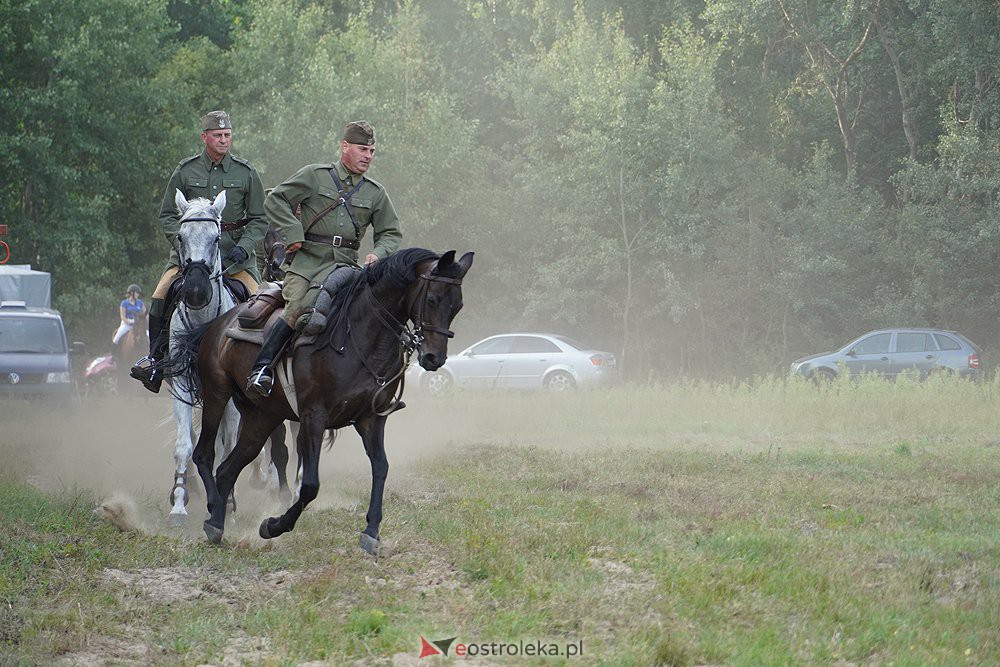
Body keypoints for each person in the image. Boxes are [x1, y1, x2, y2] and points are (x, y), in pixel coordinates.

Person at [246, 120, 402, 396]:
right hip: (307, 265)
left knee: (373, 312)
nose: (368, 155)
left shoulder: (375, 193)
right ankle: (262, 369)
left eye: (372, 151)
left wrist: (378, 253)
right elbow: (275, 200)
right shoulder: (315, 176)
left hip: (346, 265)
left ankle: (376, 384)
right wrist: (293, 233)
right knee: (296, 311)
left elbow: (390, 233)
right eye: (362, 149)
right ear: (345, 147)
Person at [131, 110, 268, 393]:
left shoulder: (246, 172)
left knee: (261, 303)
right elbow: (167, 216)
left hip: (235, 258)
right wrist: (182, 243)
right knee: (160, 296)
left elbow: (259, 219)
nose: (223, 140)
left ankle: (261, 368)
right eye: (217, 135)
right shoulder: (185, 170)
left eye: (227, 135)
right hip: (190, 256)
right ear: (204, 137)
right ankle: (155, 361)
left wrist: (244, 247)